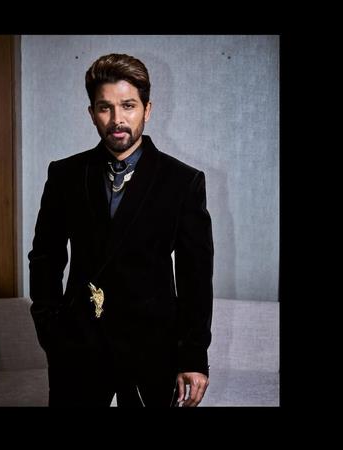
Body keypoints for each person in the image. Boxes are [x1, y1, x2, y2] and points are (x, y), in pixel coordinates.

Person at [28, 53, 214, 407]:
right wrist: (50, 326)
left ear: (147, 109)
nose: (117, 119)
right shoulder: (65, 175)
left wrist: (193, 356)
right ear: (92, 113)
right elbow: (45, 257)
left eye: (128, 106)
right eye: (105, 108)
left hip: (153, 349)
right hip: (78, 345)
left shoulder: (182, 182)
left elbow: (196, 277)